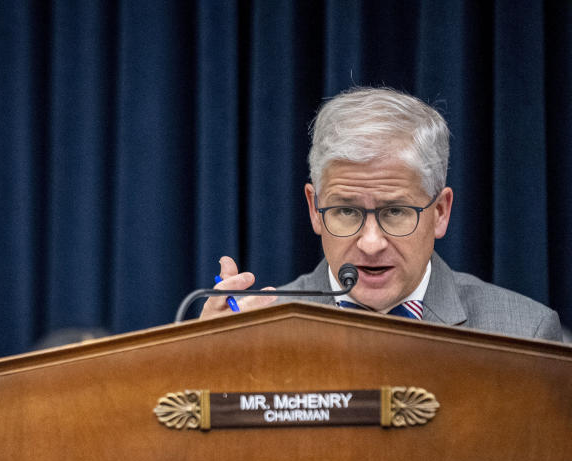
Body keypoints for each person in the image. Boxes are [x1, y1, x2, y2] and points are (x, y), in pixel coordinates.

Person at [201, 86, 563, 342]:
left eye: (395, 211)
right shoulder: (257, 329)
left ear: (440, 212)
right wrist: (202, 362)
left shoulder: (524, 333)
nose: (371, 244)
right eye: (345, 210)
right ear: (314, 209)